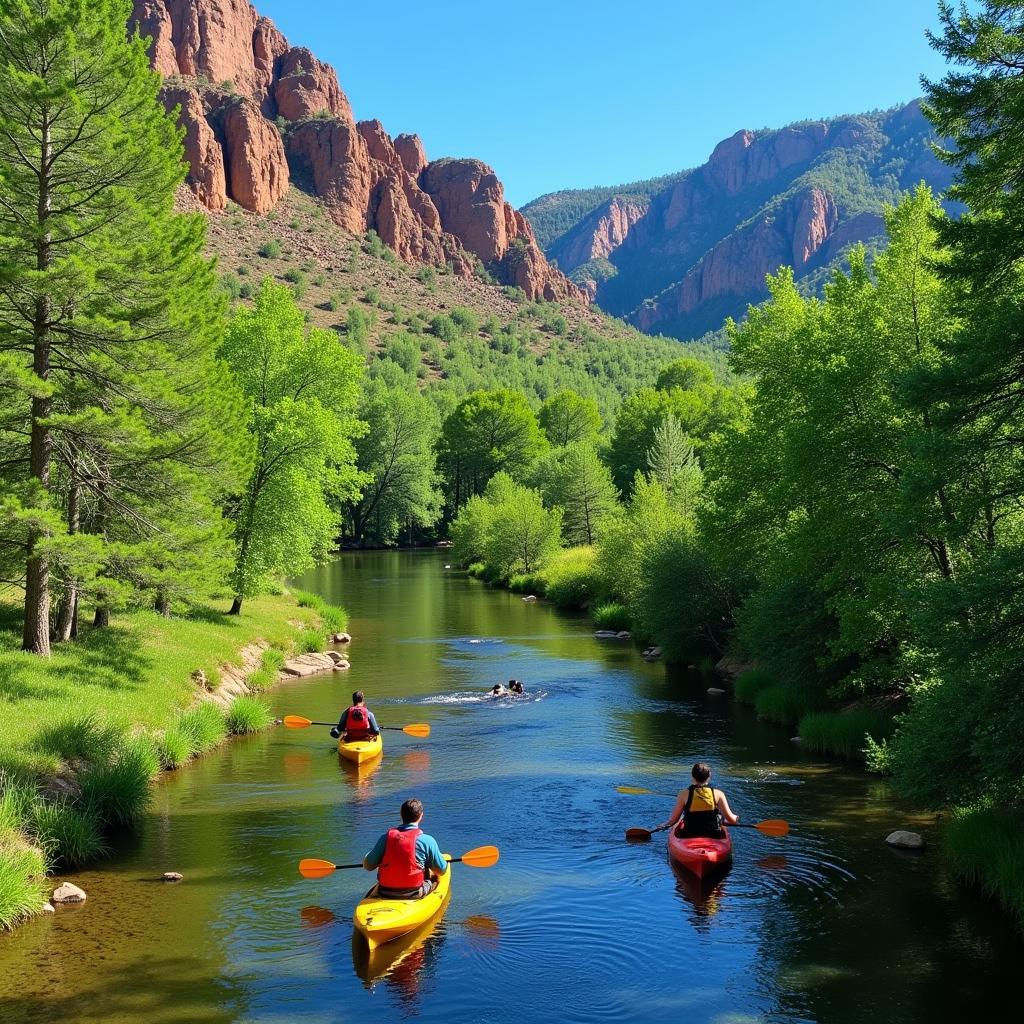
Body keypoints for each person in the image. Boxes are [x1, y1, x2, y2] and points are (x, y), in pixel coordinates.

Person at [363, 798, 449, 899]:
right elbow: (441, 870)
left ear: (401, 815)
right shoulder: (427, 840)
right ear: (421, 816)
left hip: (385, 891)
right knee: (435, 879)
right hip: (414, 892)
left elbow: (368, 866)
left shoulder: (385, 838)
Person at [658, 762, 739, 838]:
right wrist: (735, 818)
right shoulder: (718, 794)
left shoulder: (683, 794)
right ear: (709, 776)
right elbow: (731, 820)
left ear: (692, 776)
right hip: (713, 835)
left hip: (689, 834)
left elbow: (673, 820)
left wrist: (664, 825)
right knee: (720, 816)